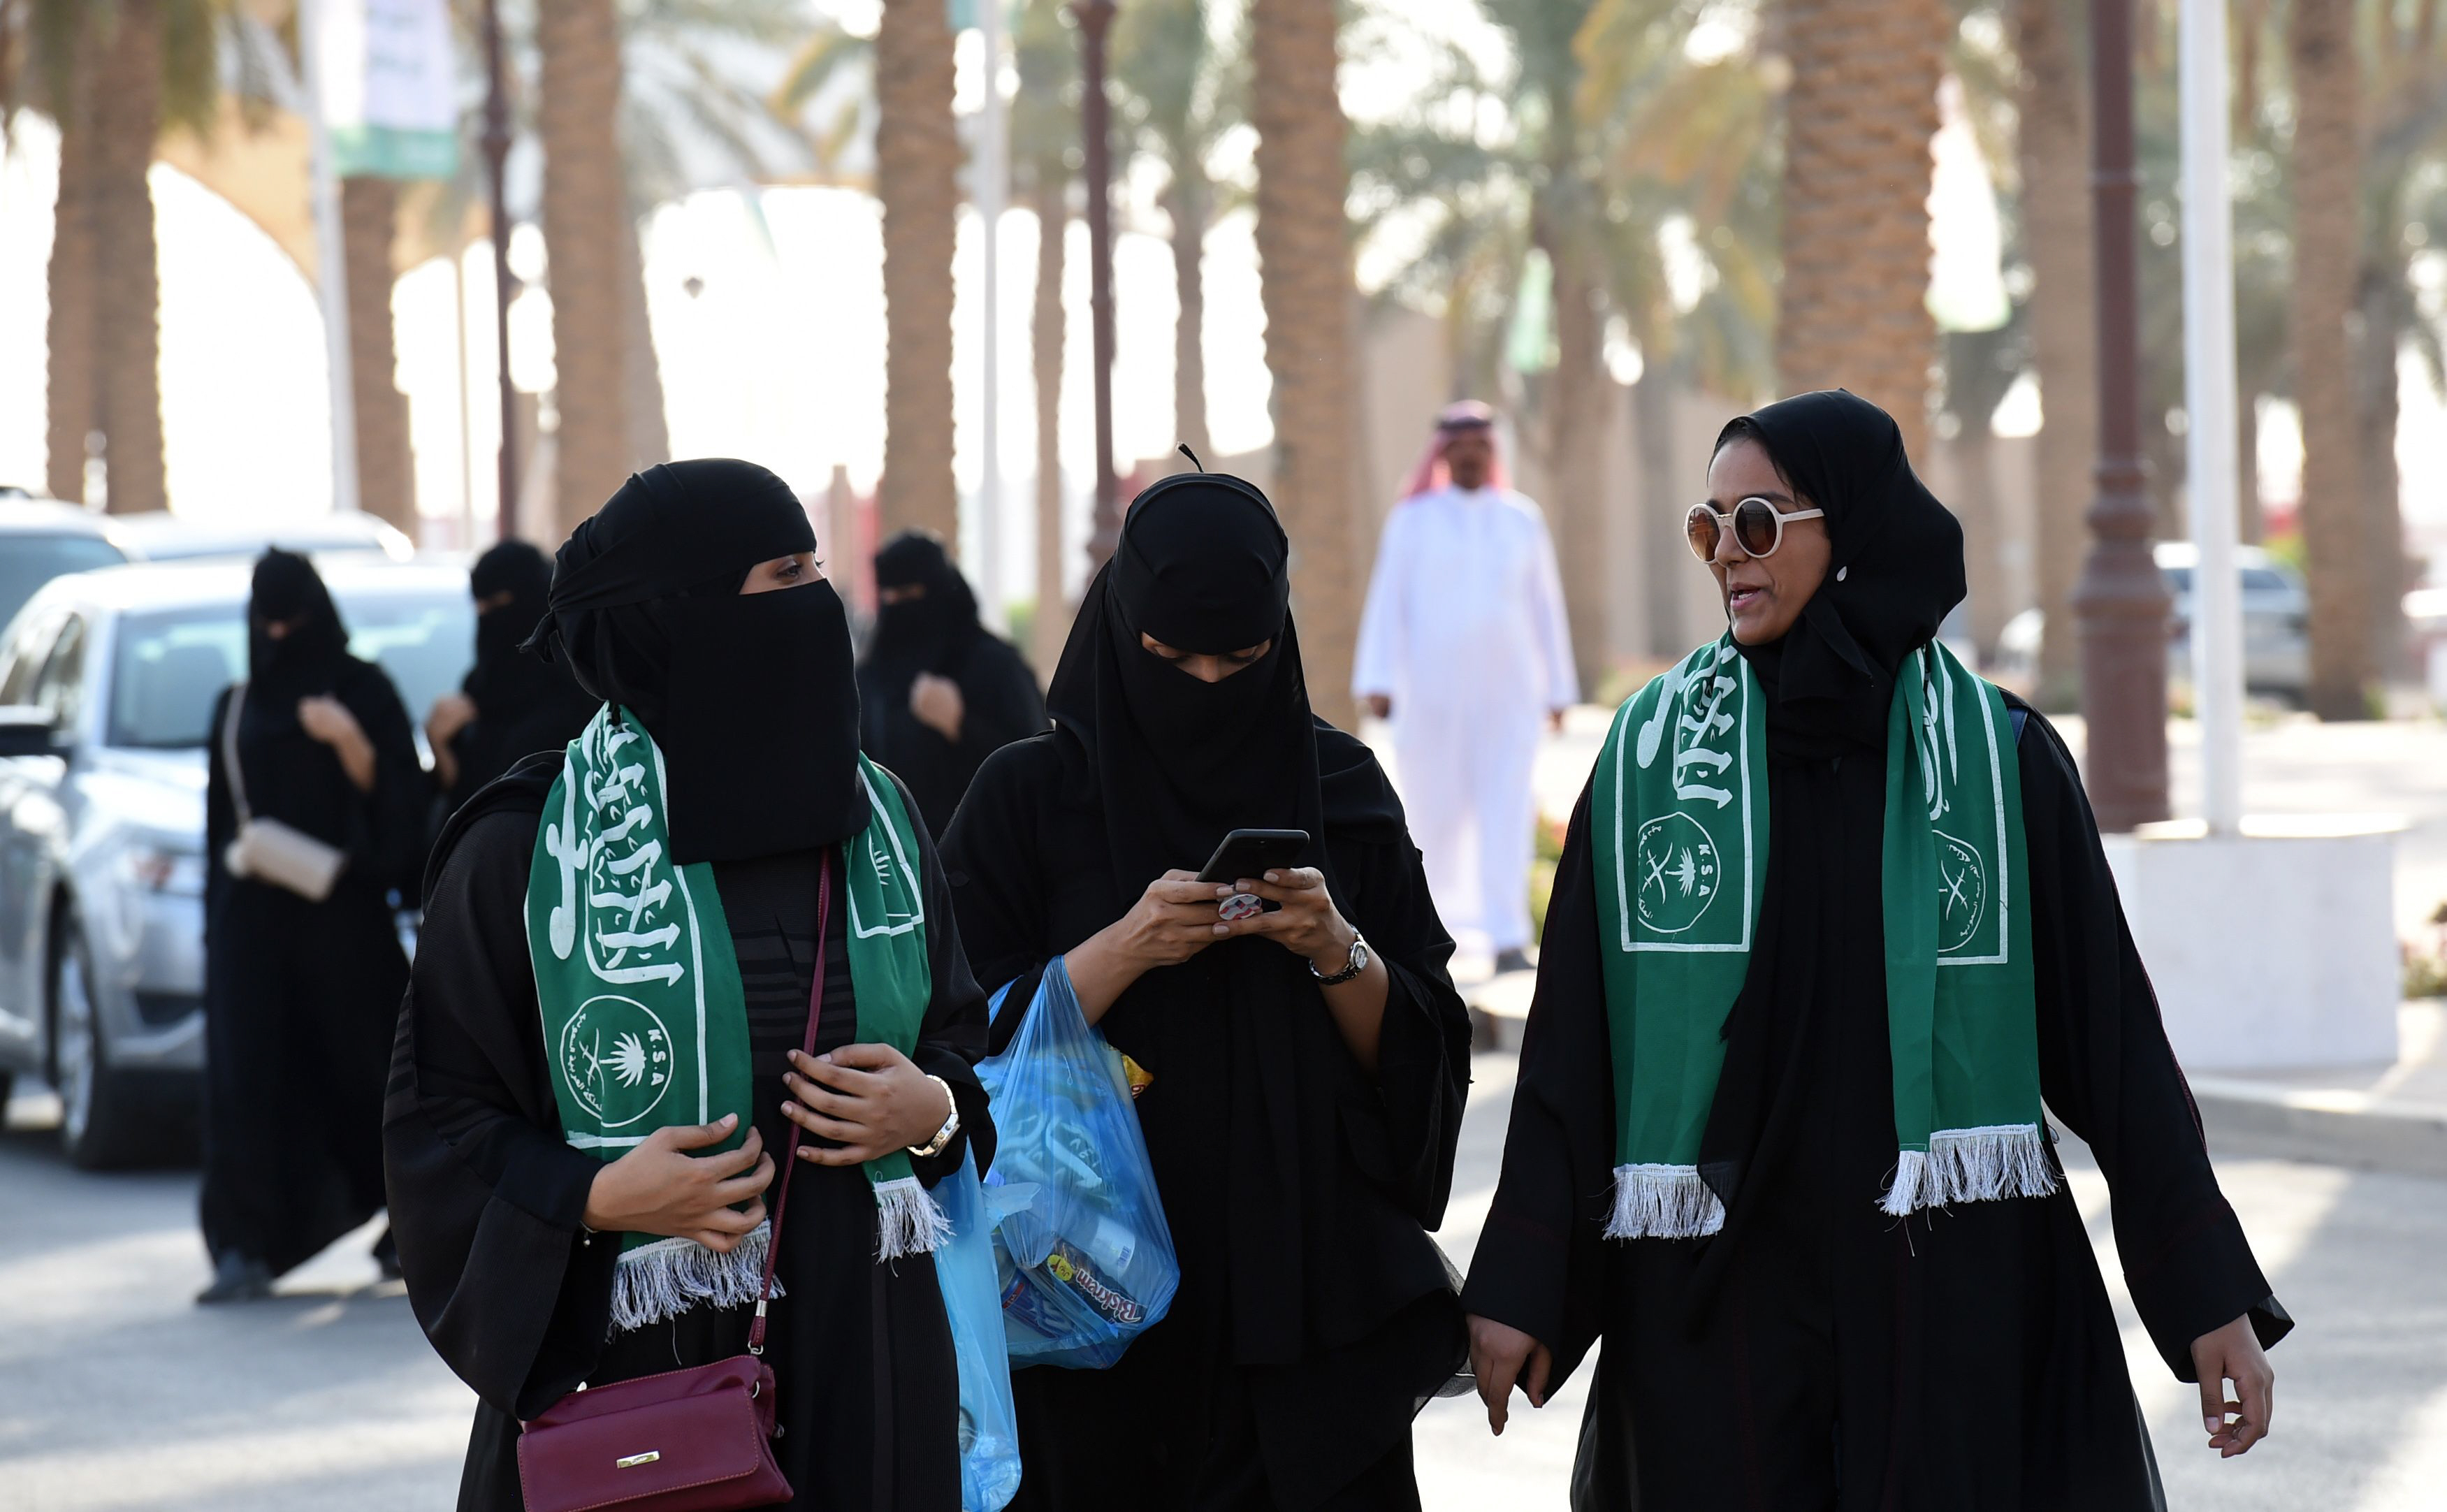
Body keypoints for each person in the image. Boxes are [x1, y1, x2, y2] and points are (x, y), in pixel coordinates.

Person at [1461, 391, 2290, 1510]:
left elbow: (2110, 1040)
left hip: (1950, 1289)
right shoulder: (1652, 759)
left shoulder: (1998, 761)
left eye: (1757, 523)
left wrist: (2206, 1296)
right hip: (1722, 1294)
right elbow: (1573, 1051)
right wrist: (1519, 1280)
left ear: (1846, 526)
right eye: (1707, 529)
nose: (1725, 559)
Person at [383, 460, 995, 1511]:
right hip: (643, 1393)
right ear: (682, 614)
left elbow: (957, 1046)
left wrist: (930, 1111)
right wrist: (598, 1196)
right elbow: (442, 1118)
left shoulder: (878, 825)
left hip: (870, 1359)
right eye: (783, 572)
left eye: (816, 567)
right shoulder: (528, 853)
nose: (820, 601)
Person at [943, 467, 1473, 1511]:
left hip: (1305, 1321)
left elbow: (1424, 1054)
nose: (1204, 683)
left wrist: (1334, 948)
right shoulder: (1029, 800)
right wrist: (1125, 948)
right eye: (1167, 656)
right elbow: (950, 1044)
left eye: (1240, 658)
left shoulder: (1342, 791)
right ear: (1118, 622)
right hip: (1080, 1311)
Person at [199, 549, 427, 1302]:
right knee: (248, 1079)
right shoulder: (236, 706)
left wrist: (349, 741)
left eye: (292, 619)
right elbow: (216, 835)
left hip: (344, 922)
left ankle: (410, 1229)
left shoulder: (364, 691)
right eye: (267, 622)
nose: (279, 634)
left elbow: (403, 809)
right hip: (252, 929)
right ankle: (243, 1244)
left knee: (376, 1072)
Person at [1352, 401, 1577, 975]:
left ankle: (1507, 939)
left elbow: (1545, 607)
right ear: (1445, 453)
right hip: (1431, 699)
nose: (1471, 454)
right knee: (1434, 818)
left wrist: (1558, 689)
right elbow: (1387, 602)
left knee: (1506, 812)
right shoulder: (1412, 520)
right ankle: (1437, 936)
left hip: (1509, 698)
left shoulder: (1521, 519)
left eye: (1481, 444)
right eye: (1461, 445)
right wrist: (1377, 680)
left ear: (1492, 452)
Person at [856, 529, 1047, 838]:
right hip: (893, 860)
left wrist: (959, 726)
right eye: (888, 597)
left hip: (981, 856)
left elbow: (1037, 764)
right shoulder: (872, 675)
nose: (897, 609)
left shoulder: (994, 665)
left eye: (910, 595)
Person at [424, 539, 598, 820]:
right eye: (479, 607)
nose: (487, 619)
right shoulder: (479, 688)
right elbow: (465, 804)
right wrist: (439, 743)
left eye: (497, 604)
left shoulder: (582, 688)